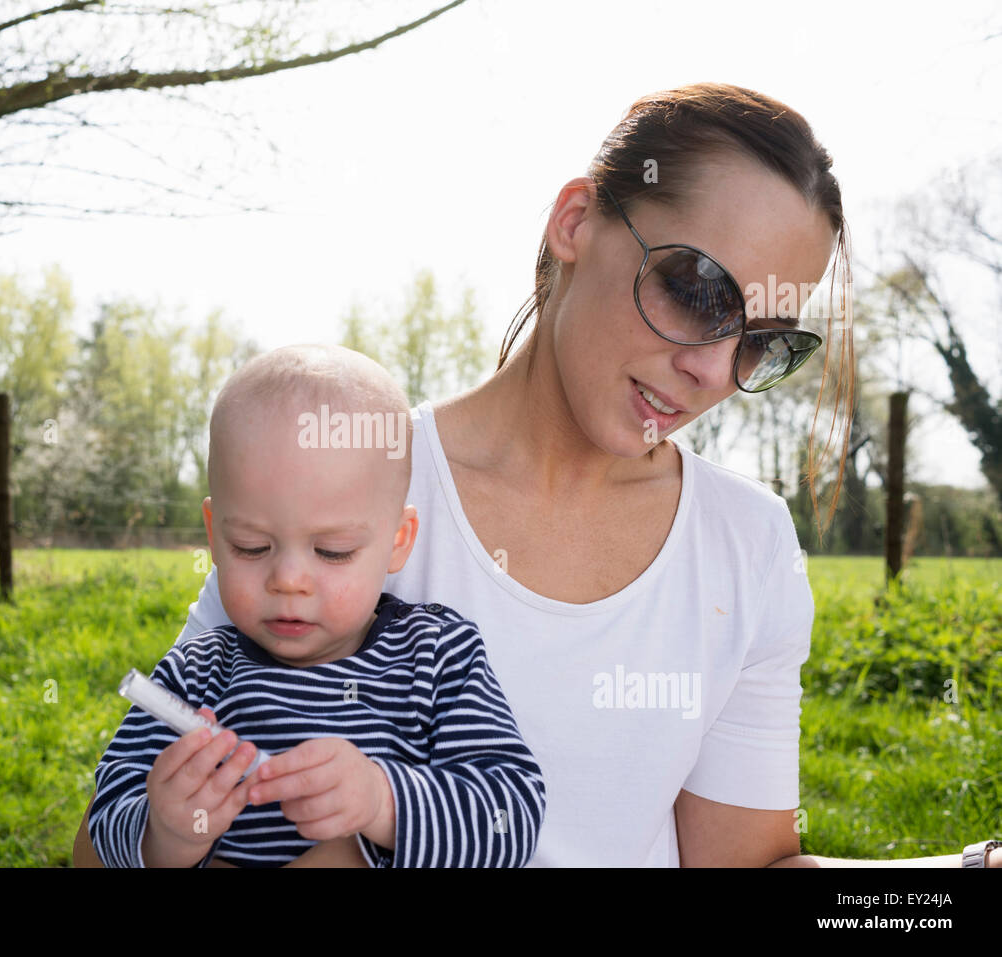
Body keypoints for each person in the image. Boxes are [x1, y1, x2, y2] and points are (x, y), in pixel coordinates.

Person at [76, 81, 1000, 867]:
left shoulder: (747, 544)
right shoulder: (349, 482)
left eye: (760, 340)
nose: (716, 372)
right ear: (576, 222)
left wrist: (935, 888)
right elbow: (108, 840)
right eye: (701, 294)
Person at [86, 345, 546, 867]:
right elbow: (108, 807)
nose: (288, 580)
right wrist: (166, 834)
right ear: (214, 536)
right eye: (251, 547)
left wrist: (383, 801)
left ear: (399, 540)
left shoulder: (437, 657)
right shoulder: (199, 673)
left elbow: (511, 811)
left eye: (333, 552)